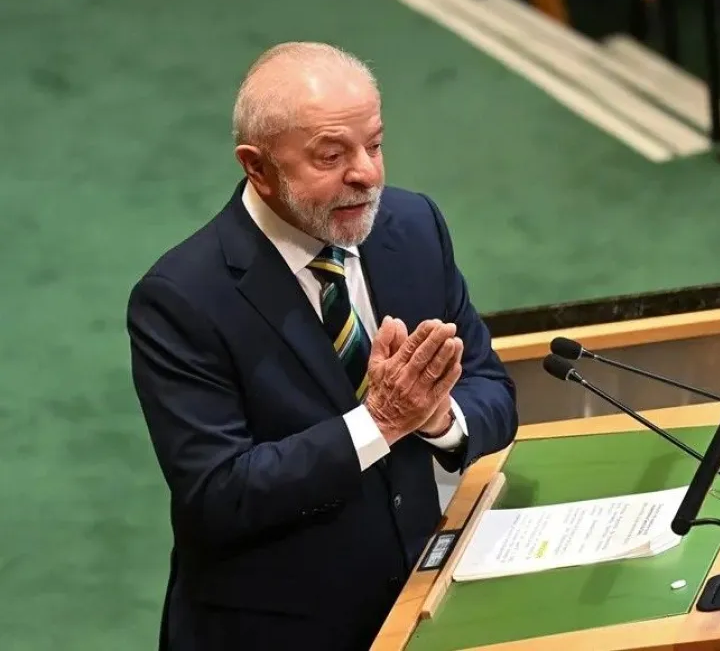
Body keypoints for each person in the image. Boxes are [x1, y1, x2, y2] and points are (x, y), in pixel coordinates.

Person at [126, 41, 518, 651]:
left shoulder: (413, 227)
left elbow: (492, 392)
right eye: (331, 155)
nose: (367, 173)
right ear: (257, 167)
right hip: (279, 628)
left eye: (376, 144)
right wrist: (380, 422)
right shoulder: (182, 298)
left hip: (422, 609)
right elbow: (220, 494)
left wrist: (440, 418)